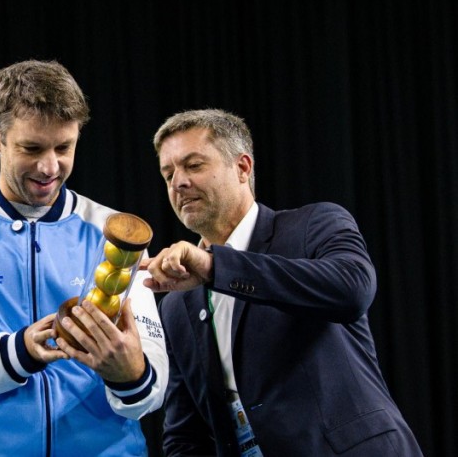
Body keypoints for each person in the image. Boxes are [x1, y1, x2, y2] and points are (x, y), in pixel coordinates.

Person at [0, 59, 168, 456]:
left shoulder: (118, 234)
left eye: (64, 147)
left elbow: (154, 387)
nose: (49, 167)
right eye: (32, 148)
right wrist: (17, 353)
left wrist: (131, 376)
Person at [142, 109, 422, 456]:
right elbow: (185, 436)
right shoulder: (175, 304)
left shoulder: (313, 226)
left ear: (242, 168)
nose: (178, 183)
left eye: (194, 165)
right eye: (168, 174)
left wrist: (218, 268)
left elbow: (352, 289)